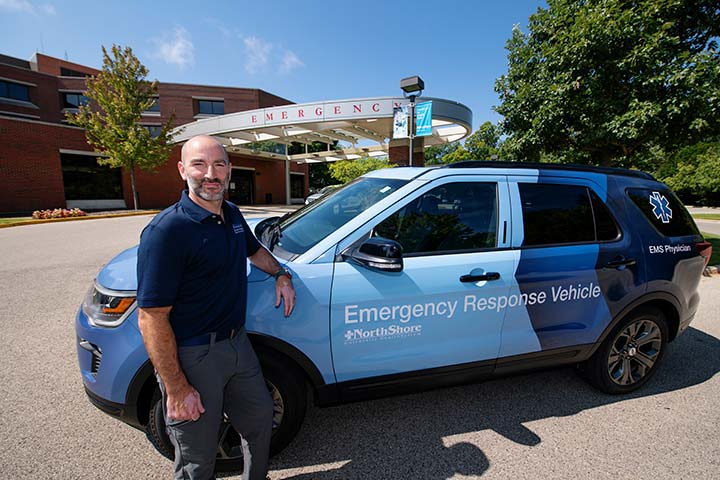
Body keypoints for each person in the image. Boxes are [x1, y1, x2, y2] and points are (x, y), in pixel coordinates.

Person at [136, 135, 295, 480]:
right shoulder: (167, 231)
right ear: (182, 170)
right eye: (199, 164)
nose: (211, 173)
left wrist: (282, 274)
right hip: (194, 356)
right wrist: (177, 388)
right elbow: (150, 318)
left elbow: (253, 252)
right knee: (198, 455)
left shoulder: (232, 214)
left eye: (219, 164)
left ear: (229, 170)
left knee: (259, 419)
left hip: (238, 344)